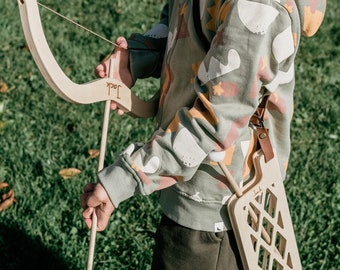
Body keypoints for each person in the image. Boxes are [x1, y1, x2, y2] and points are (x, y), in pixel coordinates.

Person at [81, 0, 326, 269]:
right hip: (190, 175)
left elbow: (216, 120)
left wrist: (125, 178)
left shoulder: (259, 6)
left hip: (219, 201)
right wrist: (138, 56)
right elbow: (184, 24)